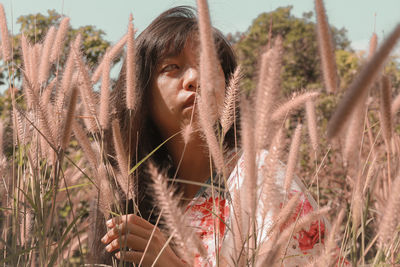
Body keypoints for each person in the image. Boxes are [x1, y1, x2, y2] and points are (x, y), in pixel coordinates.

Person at [91, 6, 328, 267]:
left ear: (229, 86)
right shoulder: (133, 200)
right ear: (140, 92)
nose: (194, 78)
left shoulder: (261, 180)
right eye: (172, 67)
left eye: (207, 66)